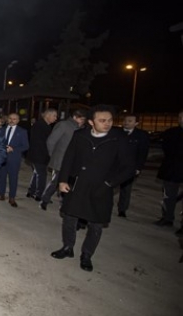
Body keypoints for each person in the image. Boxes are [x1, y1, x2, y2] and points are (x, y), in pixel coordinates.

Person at [51, 105, 134, 272]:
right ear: (91, 122)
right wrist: (62, 180)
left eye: (110, 120)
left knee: (95, 224)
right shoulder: (80, 135)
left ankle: (87, 255)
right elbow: (69, 158)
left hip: (101, 188)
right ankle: (67, 247)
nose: (107, 124)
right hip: (78, 184)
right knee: (69, 218)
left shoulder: (118, 138)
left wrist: (108, 184)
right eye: (102, 120)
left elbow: (129, 168)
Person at [39, 109, 86, 210]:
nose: (82, 122)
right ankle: (44, 200)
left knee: (68, 184)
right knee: (55, 182)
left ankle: (64, 205)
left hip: (73, 162)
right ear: (75, 117)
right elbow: (51, 141)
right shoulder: (63, 125)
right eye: (81, 119)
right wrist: (53, 155)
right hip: (60, 160)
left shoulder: (80, 128)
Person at [154, 110, 183, 232]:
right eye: (180, 117)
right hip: (171, 170)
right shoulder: (171, 133)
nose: (181, 119)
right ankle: (167, 218)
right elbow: (165, 149)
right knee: (168, 196)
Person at [117, 113, 150, 218]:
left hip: (130, 167)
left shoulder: (141, 135)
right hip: (114, 166)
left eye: (130, 121)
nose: (126, 123)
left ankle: (122, 209)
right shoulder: (117, 133)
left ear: (136, 123)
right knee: (109, 188)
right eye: (125, 120)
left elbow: (142, 153)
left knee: (126, 189)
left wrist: (138, 168)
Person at [0, 113, 29, 207]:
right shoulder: (1, 130)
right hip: (2, 158)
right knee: (1, 177)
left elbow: (26, 146)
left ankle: (12, 197)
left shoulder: (22, 131)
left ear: (18, 120)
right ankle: (1, 194)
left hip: (14, 159)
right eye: (10, 118)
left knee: (13, 178)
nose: (12, 120)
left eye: (14, 119)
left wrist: (13, 149)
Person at [26, 108, 58, 201]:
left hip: (36, 154)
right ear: (48, 115)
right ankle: (39, 194)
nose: (56, 118)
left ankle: (31, 191)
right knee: (41, 175)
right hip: (39, 155)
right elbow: (42, 143)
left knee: (37, 173)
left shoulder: (41, 125)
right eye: (54, 116)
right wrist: (49, 154)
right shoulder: (42, 126)